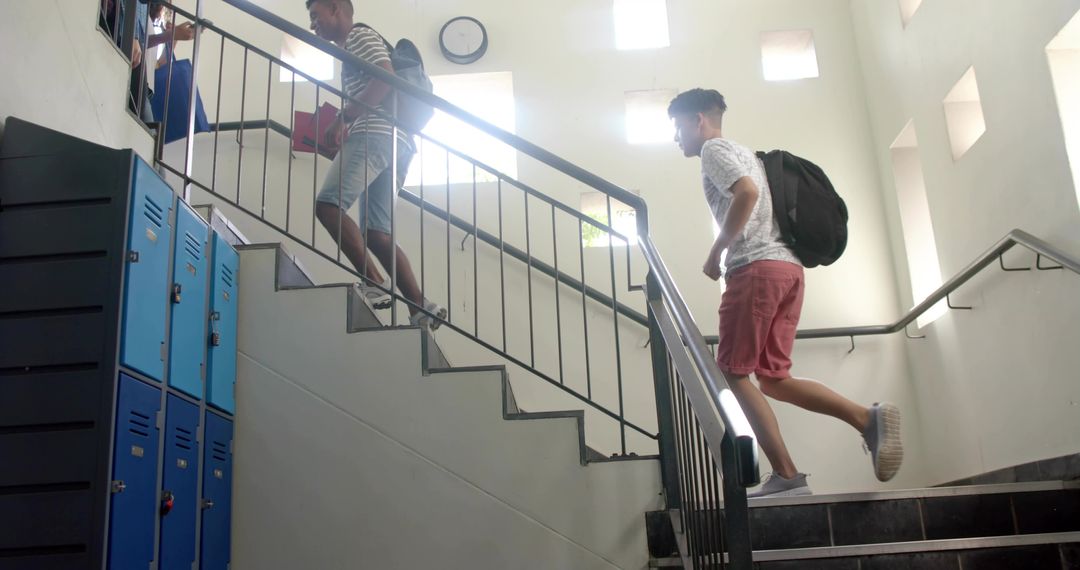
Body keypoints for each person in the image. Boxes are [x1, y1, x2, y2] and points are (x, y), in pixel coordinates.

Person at [667, 88, 903, 497]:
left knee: (734, 372)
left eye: (677, 127)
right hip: (787, 270)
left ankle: (787, 475)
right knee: (774, 378)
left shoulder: (714, 151)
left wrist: (716, 251)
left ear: (698, 120)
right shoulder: (747, 153)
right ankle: (866, 418)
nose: (676, 138)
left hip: (755, 271)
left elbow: (748, 194)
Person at [305, 0, 446, 330]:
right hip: (396, 143)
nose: (314, 24)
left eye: (316, 15)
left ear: (336, 8)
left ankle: (373, 281)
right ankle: (420, 307)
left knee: (328, 206)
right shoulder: (354, 46)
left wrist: (344, 118)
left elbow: (385, 75)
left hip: (376, 136)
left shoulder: (358, 37)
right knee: (376, 233)